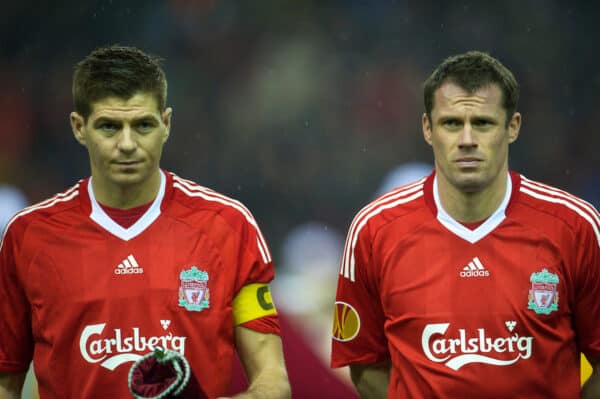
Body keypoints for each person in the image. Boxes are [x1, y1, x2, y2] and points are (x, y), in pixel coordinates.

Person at [0, 45, 290, 399]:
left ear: (166, 124)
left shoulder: (228, 227)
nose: (127, 144)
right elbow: (5, 382)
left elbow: (273, 383)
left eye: (143, 126)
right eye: (109, 126)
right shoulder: (28, 237)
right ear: (79, 127)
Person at [331, 50, 600, 398]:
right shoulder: (374, 230)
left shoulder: (574, 227)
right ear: (428, 129)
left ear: (513, 126)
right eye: (452, 123)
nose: (467, 140)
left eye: (483, 123)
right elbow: (365, 362)